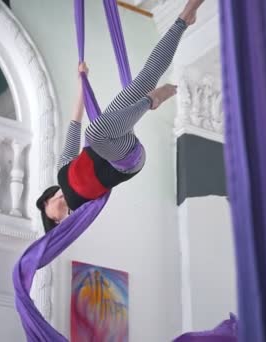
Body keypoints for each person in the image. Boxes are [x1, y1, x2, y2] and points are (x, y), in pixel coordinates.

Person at [37, 0, 205, 233]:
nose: (59, 220)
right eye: (57, 223)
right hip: (126, 160)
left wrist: (81, 83)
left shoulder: (62, 169)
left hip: (110, 134)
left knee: (144, 79)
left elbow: (75, 122)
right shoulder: (80, 210)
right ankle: (152, 100)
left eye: (53, 219)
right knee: (94, 133)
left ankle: (183, 20)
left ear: (46, 203)